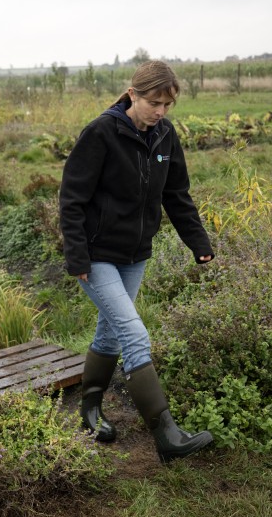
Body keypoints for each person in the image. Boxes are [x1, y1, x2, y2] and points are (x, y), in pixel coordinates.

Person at [59, 60, 214, 463]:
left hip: (134, 254)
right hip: (95, 256)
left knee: (110, 332)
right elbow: (72, 199)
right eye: (154, 102)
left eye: (167, 104)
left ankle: (90, 409)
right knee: (132, 332)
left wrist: (198, 242)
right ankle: (167, 436)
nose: (160, 111)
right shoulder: (101, 133)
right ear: (133, 95)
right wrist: (76, 254)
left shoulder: (164, 135)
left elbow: (176, 194)